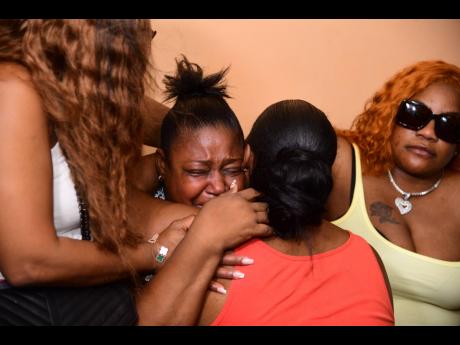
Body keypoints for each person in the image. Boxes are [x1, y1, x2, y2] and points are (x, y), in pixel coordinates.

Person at [0, 19, 270, 325]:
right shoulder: (12, 88)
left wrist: (222, 145)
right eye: (141, 38)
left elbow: (178, 128)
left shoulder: (80, 88)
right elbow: (27, 262)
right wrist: (157, 253)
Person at [140, 98, 394, 325]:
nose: (217, 187)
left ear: (247, 160)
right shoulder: (370, 257)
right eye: (197, 171)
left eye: (231, 168)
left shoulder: (217, 253)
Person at [326, 60, 460, 325]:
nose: (428, 133)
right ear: (390, 114)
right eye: (415, 114)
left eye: (448, 125)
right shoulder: (343, 163)